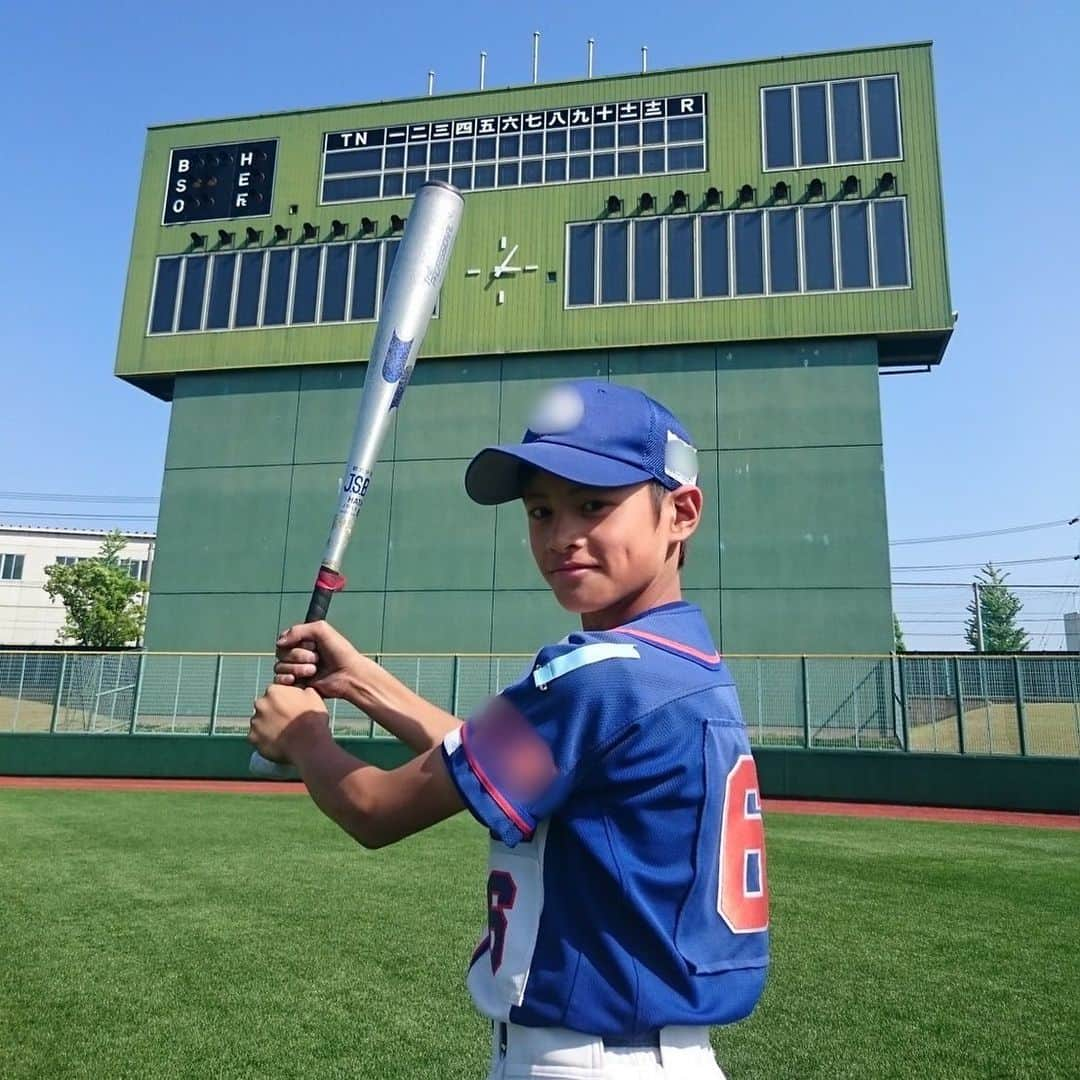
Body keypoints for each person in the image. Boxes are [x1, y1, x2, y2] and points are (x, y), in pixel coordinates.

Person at [250, 379, 770, 1079]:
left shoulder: (601, 675)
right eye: (540, 511)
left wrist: (304, 733)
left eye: (593, 506)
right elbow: (491, 758)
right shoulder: (679, 662)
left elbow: (374, 811)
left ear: (680, 513)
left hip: (589, 1060)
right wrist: (360, 684)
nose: (561, 537)